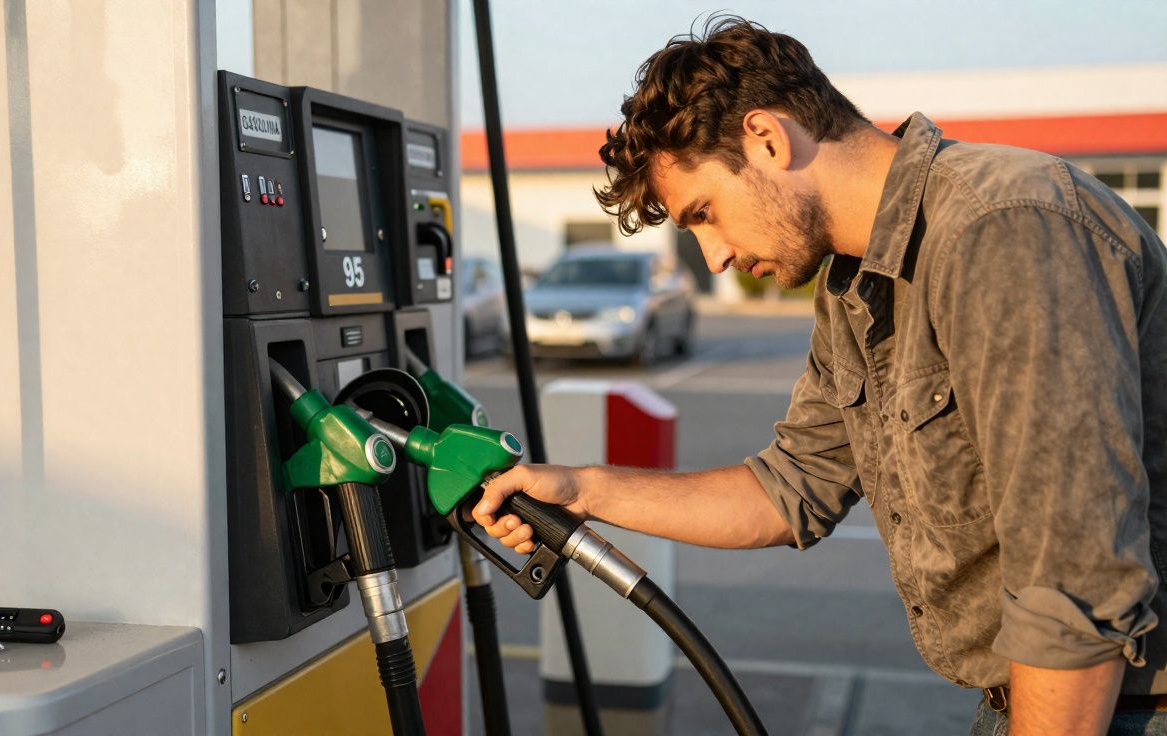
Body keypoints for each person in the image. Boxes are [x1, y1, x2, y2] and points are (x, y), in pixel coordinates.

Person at [472, 15, 1167, 736]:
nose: (713, 259)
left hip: (1119, 708)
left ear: (767, 138)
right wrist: (584, 491)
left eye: (704, 213)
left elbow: (1073, 589)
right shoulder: (854, 284)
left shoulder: (1003, 229)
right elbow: (788, 491)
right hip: (1028, 701)